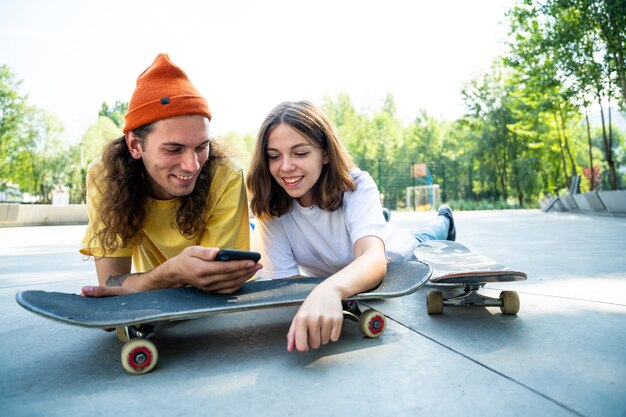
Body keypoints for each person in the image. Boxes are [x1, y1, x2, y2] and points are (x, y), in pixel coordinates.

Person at [246, 100, 455, 353]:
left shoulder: (356, 184)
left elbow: (373, 259)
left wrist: (330, 290)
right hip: (343, 268)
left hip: (397, 253)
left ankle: (445, 219)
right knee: (392, 229)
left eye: (300, 153)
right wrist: (322, 295)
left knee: (425, 237)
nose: (286, 166)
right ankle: (384, 219)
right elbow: (286, 285)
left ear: (325, 153)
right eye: (274, 156)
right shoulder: (271, 206)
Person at [80, 53, 261, 297]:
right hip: (156, 297)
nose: (192, 165)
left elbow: (217, 286)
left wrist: (148, 283)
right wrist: (171, 273)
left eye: (201, 147)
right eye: (173, 149)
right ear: (135, 145)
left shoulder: (226, 176)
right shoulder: (105, 176)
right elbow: (109, 286)